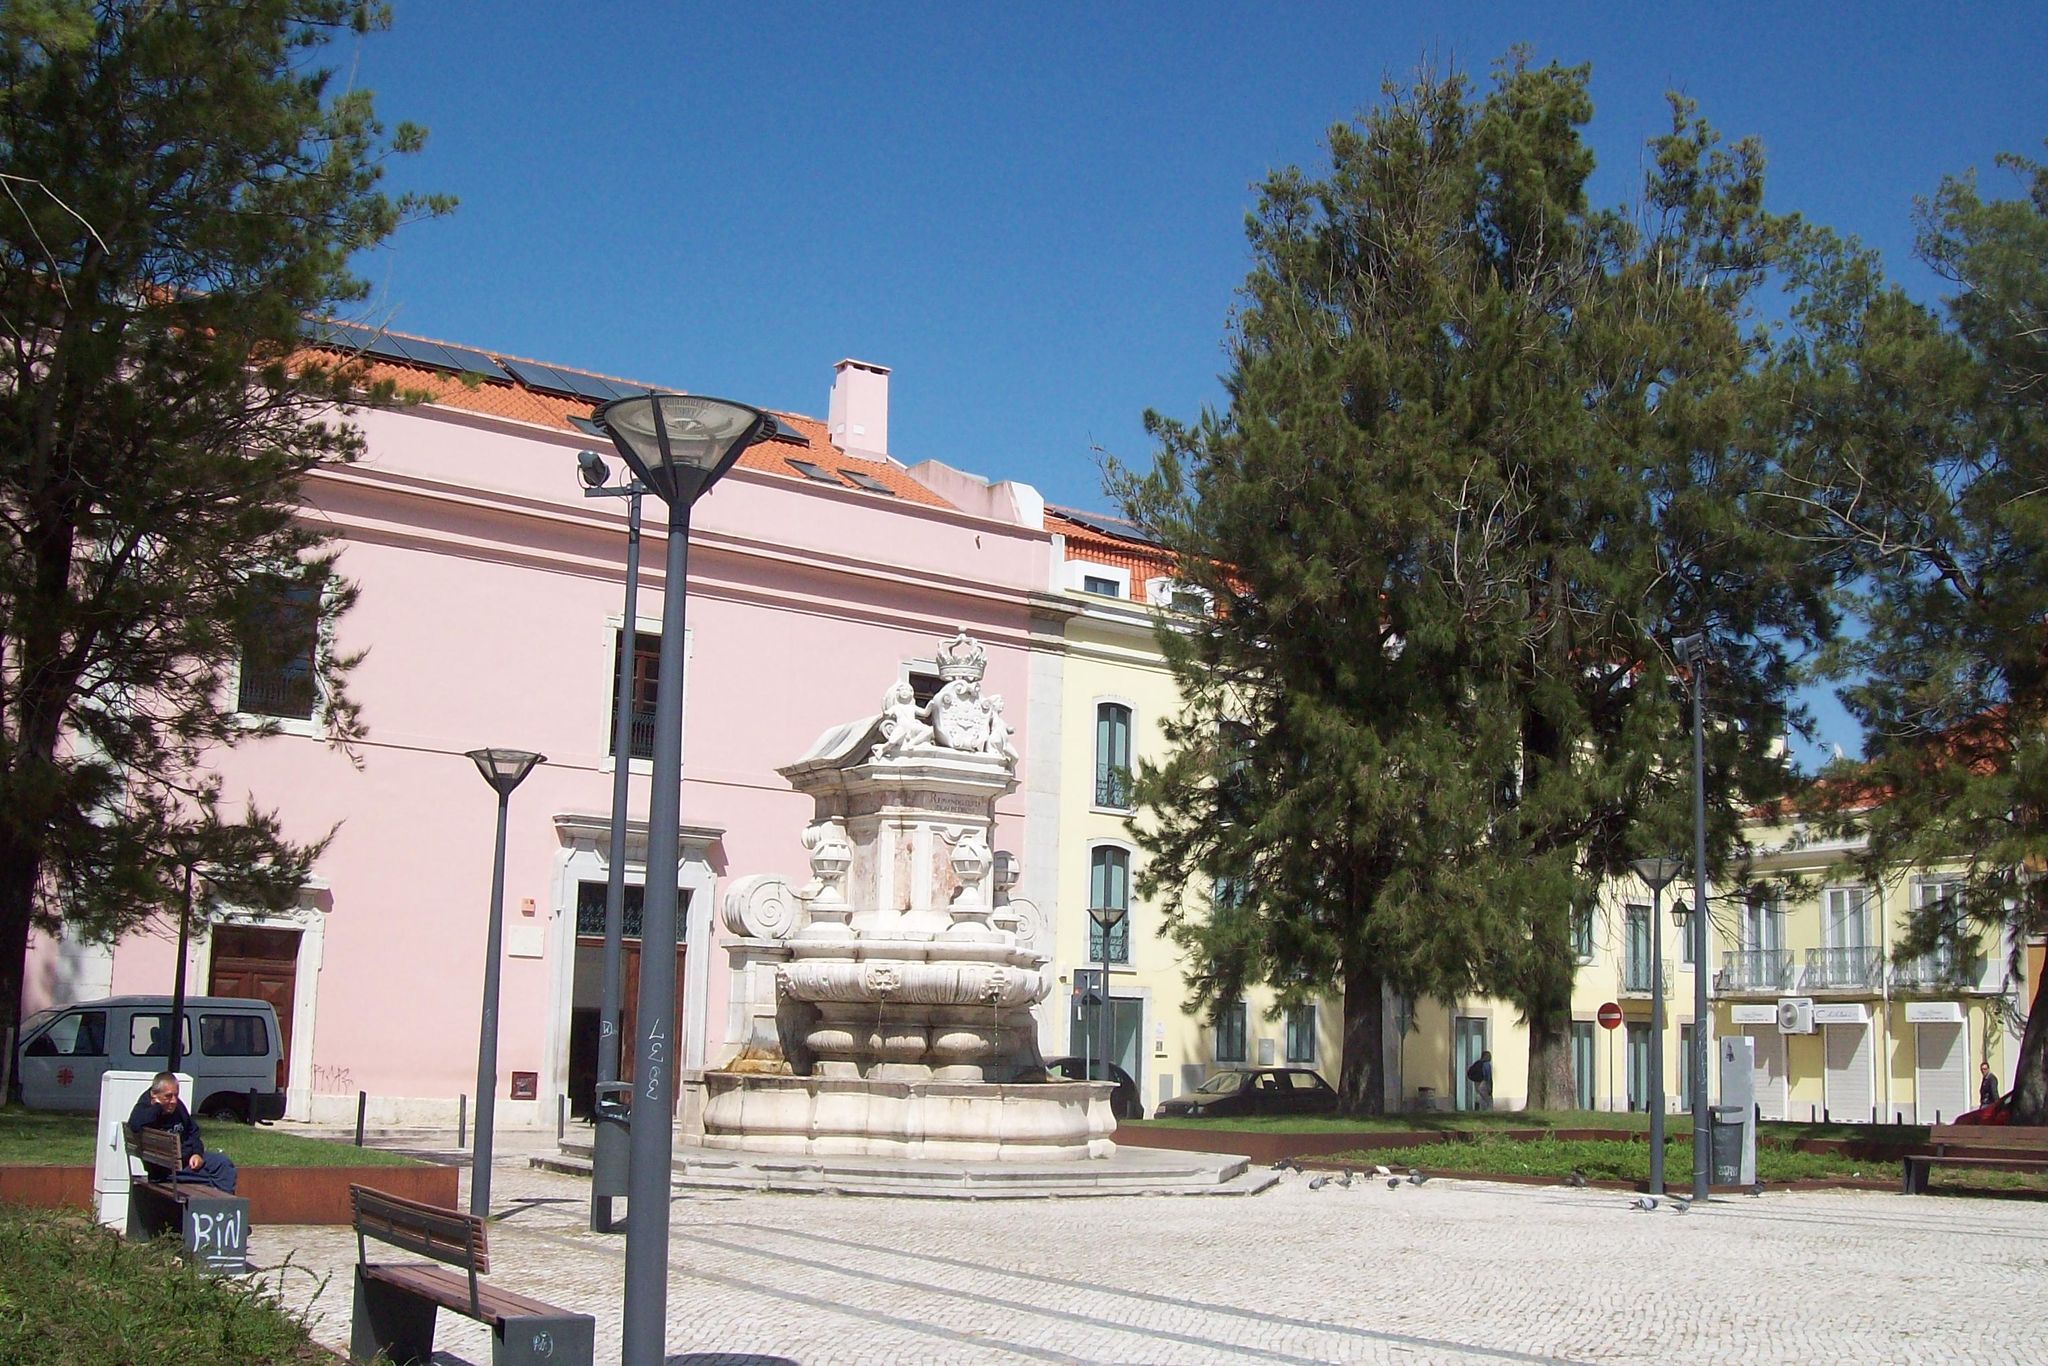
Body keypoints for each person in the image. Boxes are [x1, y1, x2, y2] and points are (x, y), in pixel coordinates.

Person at [127, 1072, 237, 1192]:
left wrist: (197, 1153)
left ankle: (221, 1205)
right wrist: (158, 1107)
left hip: (188, 1160)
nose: (173, 1101)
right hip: (167, 1172)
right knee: (217, 1176)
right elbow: (135, 1125)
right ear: (154, 1095)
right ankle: (221, 1206)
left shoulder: (177, 1106)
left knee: (223, 1163)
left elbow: (193, 1130)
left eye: (176, 1095)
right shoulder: (145, 1108)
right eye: (168, 1096)